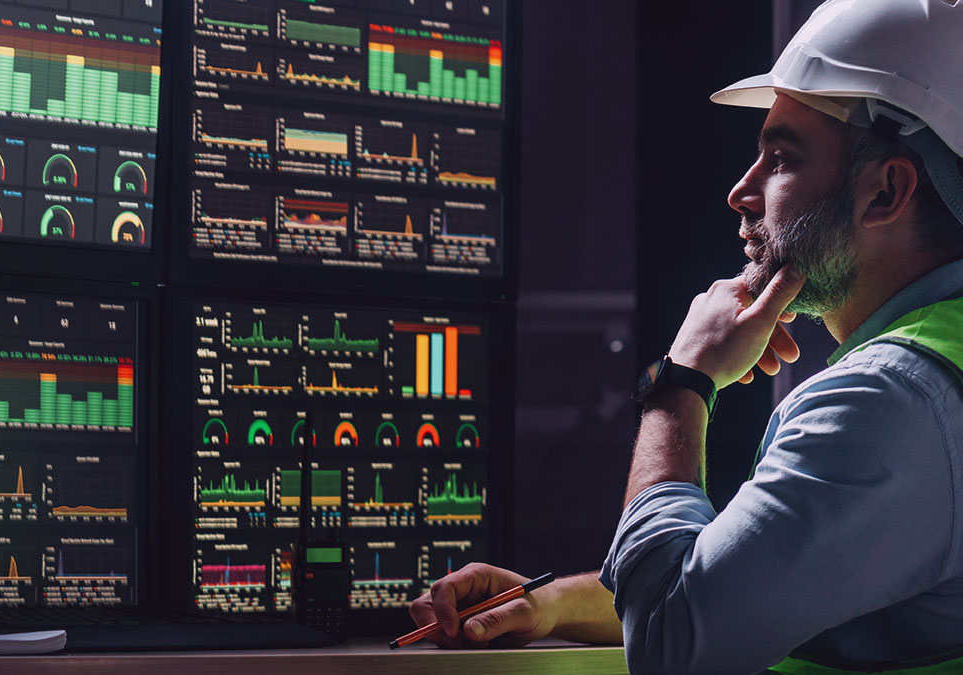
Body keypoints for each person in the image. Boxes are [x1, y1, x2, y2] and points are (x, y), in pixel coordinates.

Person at [409, 1, 963, 672]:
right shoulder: (936, 372)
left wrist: (681, 381)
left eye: (781, 158)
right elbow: (745, 582)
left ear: (885, 192)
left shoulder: (887, 403)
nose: (741, 190)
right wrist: (552, 603)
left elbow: (672, 639)